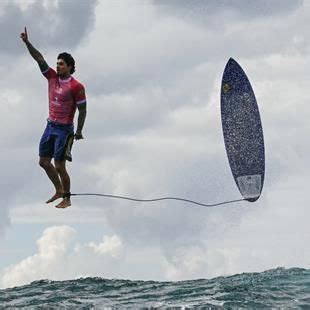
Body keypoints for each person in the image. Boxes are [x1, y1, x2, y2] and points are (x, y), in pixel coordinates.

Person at [20, 27, 87, 209]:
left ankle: (67, 197)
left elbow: (83, 110)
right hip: (50, 126)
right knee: (43, 162)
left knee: (59, 165)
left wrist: (79, 131)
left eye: (62, 64)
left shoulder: (76, 86)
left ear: (70, 67)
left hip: (64, 130)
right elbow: (39, 59)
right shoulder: (51, 77)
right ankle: (58, 189)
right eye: (57, 63)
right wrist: (27, 43)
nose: (58, 66)